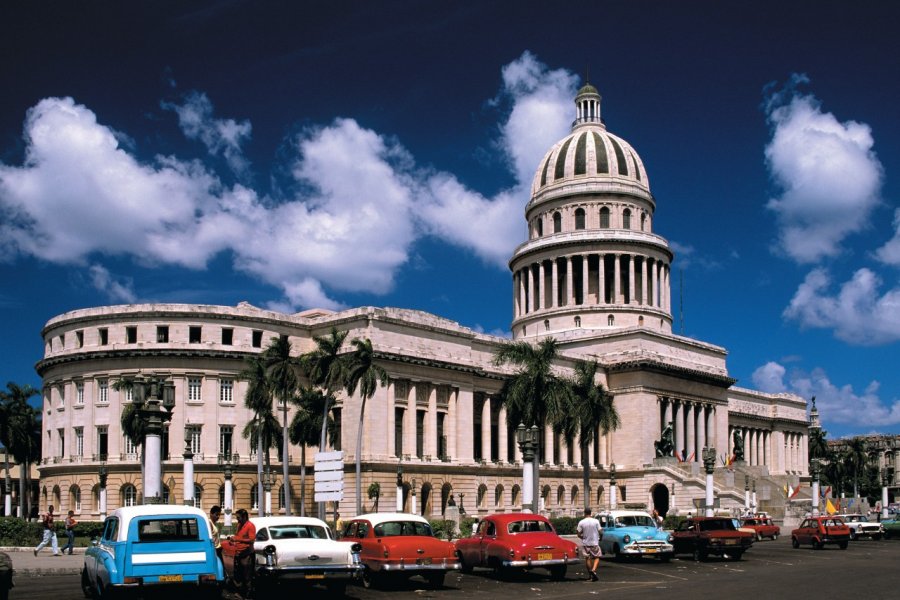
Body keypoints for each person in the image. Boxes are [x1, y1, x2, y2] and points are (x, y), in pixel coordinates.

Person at [229, 508, 256, 598]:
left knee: (247, 576)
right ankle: (241, 593)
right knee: (238, 575)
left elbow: (252, 540)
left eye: (239, 517)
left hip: (246, 554)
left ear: (244, 517)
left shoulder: (250, 525)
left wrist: (238, 539)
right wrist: (233, 540)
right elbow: (238, 536)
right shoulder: (239, 525)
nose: (237, 519)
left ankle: (248, 595)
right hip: (238, 553)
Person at [576, 507, 602, 582]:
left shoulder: (581, 522)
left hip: (586, 543)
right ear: (591, 513)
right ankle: (593, 570)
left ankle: (590, 576)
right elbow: (600, 531)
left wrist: (583, 537)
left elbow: (578, 533)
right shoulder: (596, 521)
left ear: (584, 513)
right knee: (597, 557)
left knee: (587, 558)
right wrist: (600, 537)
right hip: (594, 542)